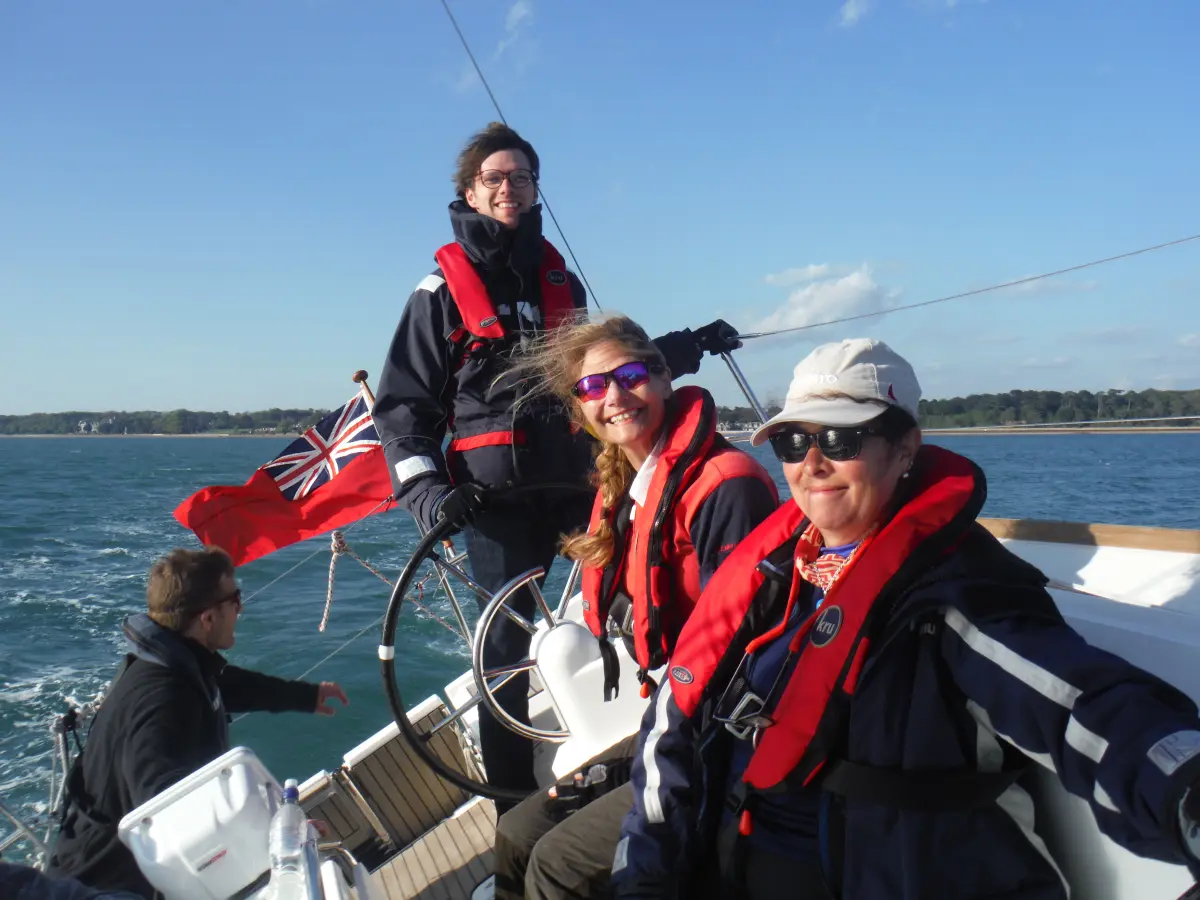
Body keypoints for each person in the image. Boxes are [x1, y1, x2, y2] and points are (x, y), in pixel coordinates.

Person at [612, 338, 1200, 900]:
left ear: (905, 448)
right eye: (793, 441)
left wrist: (1184, 787)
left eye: (841, 439)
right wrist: (642, 876)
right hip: (725, 863)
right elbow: (675, 727)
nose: (812, 463)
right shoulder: (776, 576)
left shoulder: (954, 597)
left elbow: (1089, 708)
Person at [371, 122, 741, 803]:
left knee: (646, 593)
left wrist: (691, 345)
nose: (510, 188)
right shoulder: (439, 294)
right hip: (495, 506)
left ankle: (674, 738)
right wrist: (431, 498)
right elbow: (401, 411)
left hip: (580, 483)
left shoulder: (557, 281)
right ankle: (515, 803)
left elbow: (611, 371)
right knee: (504, 661)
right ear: (470, 192)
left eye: (522, 177)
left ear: (536, 188)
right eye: (496, 178)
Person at [491, 315, 779, 899]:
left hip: (721, 735)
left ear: (666, 377)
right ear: (580, 408)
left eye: (631, 375)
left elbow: (751, 656)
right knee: (518, 832)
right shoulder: (627, 485)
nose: (614, 396)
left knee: (557, 866)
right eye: (593, 387)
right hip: (668, 717)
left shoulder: (728, 487)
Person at [47, 548, 348, 899]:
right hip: (108, 886)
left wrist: (304, 697)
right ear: (207, 618)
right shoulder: (161, 700)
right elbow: (170, 808)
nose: (241, 608)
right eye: (235, 599)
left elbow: (225, 685)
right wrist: (276, 835)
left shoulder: (178, 664)